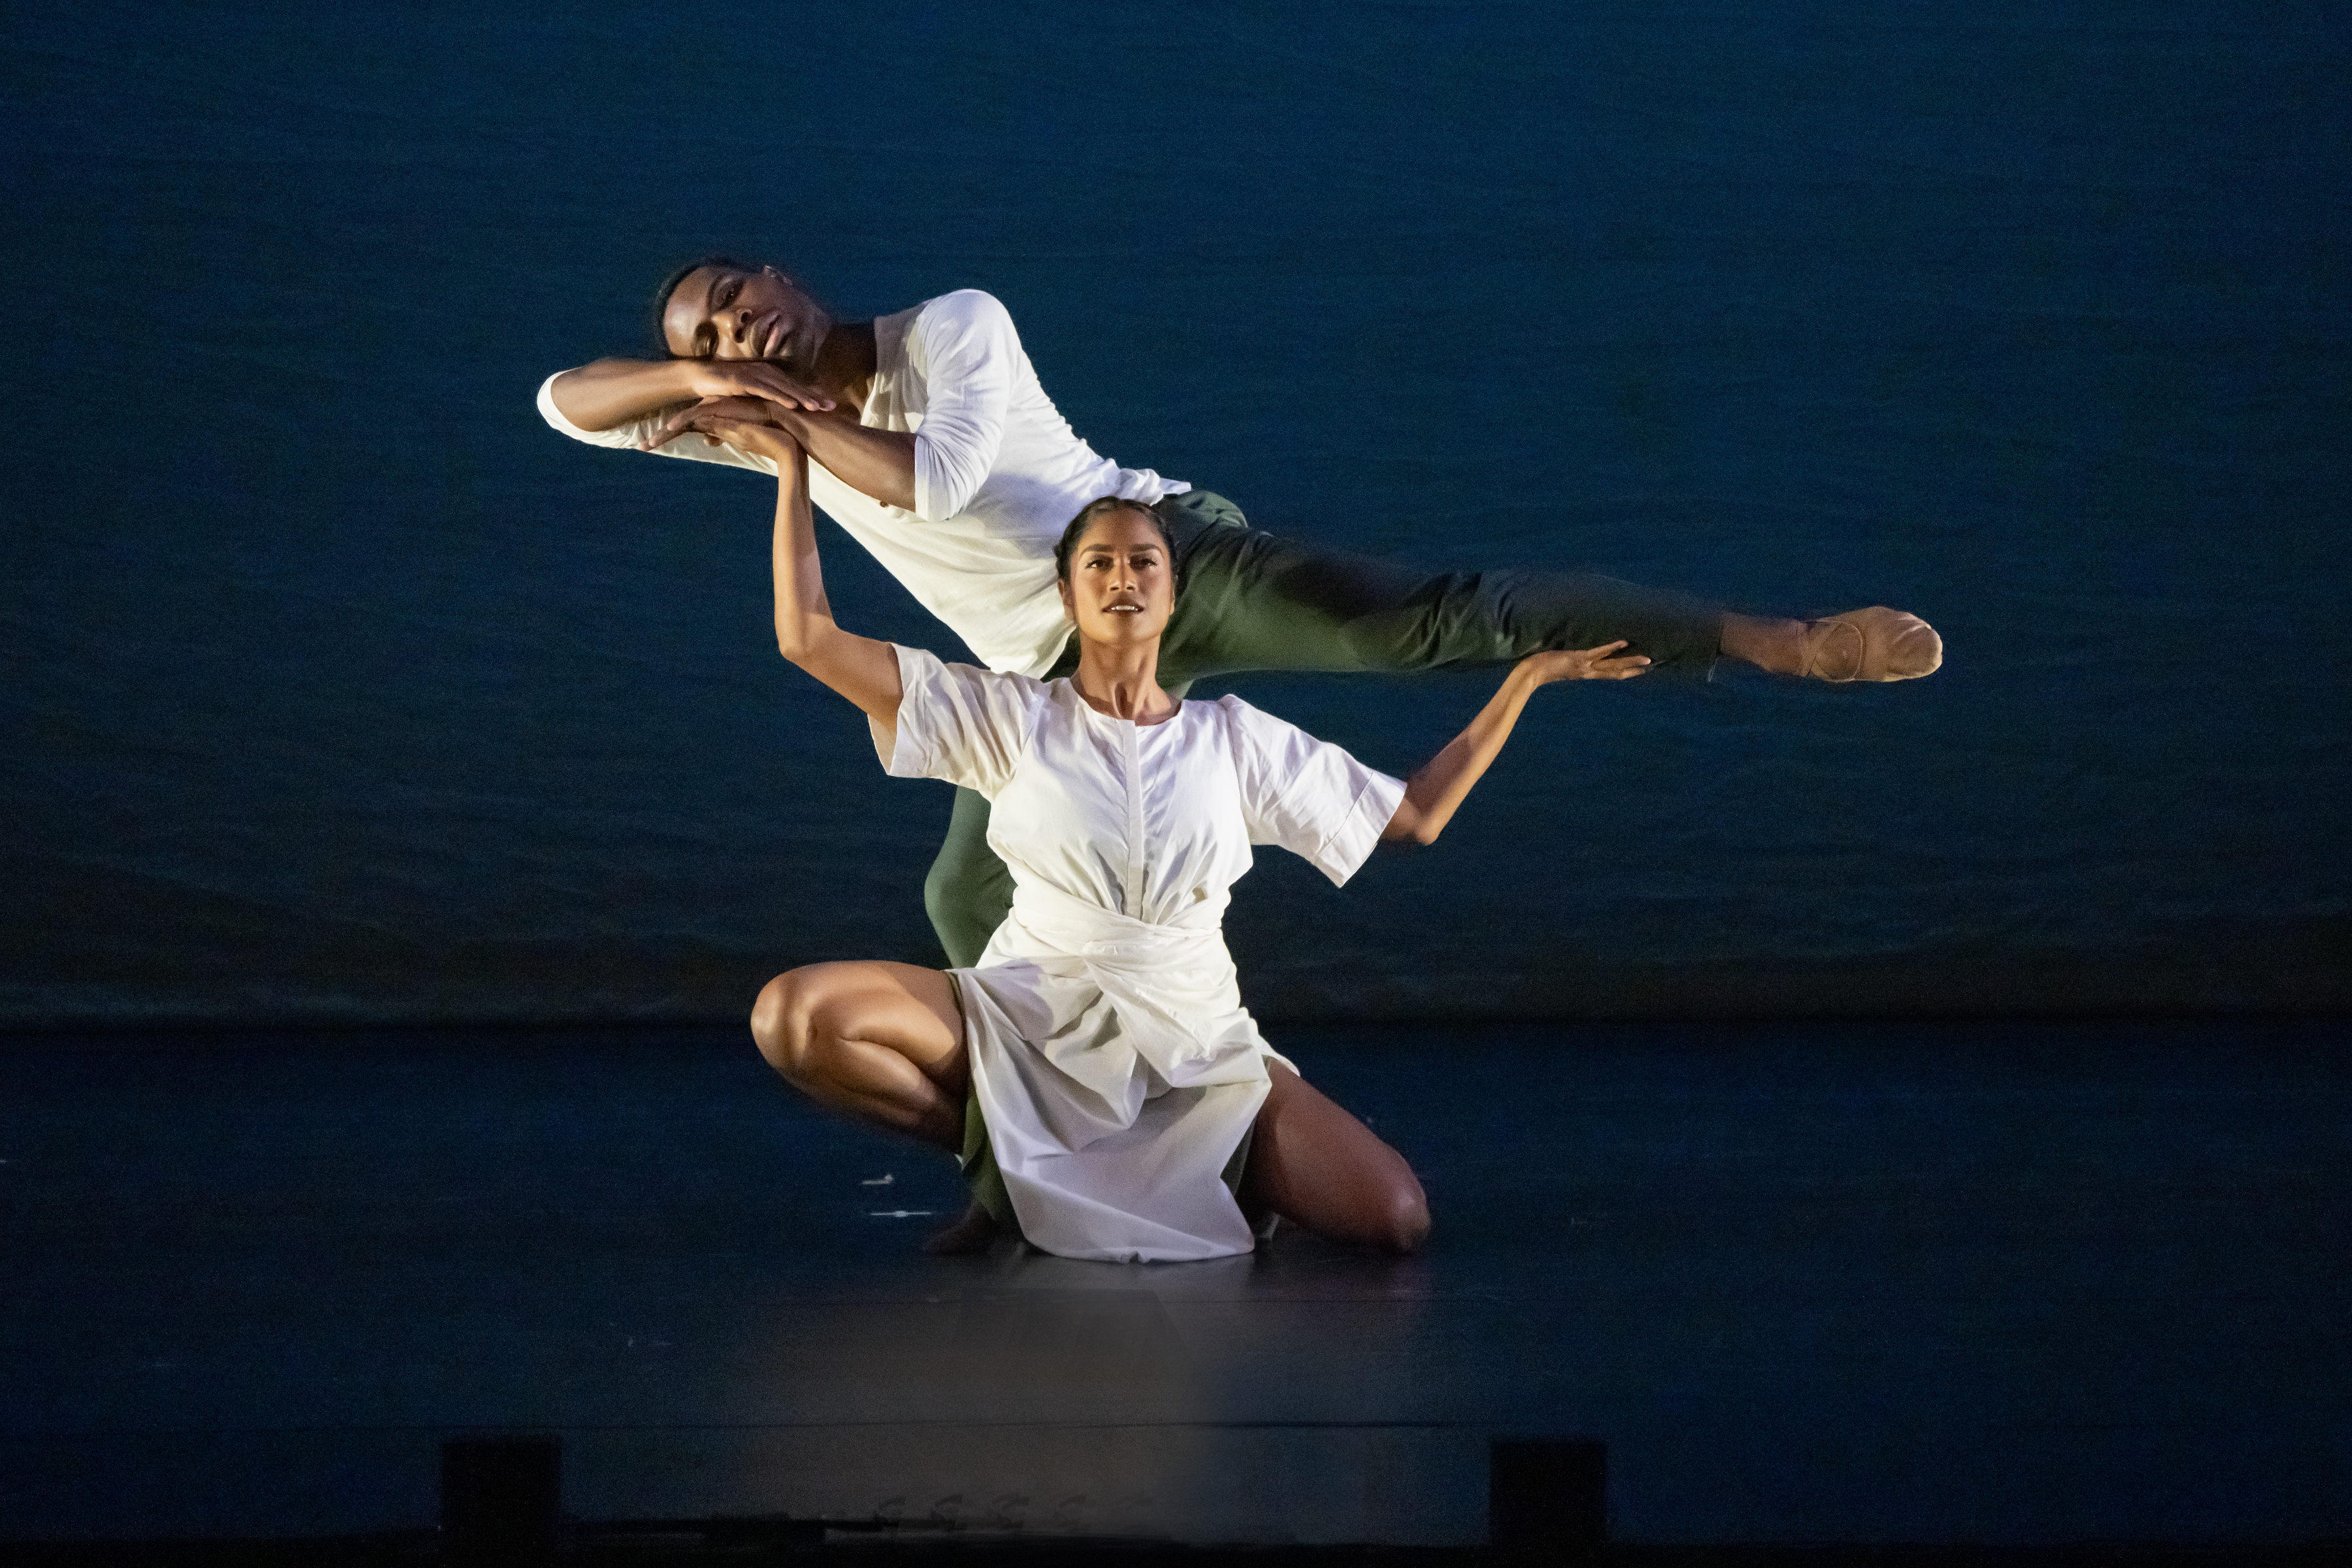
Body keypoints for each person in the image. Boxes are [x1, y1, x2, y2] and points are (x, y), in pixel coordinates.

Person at [538, 259, 1942, 968]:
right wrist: (697, 397)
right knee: (961, 894)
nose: (735, 340)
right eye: (708, 344)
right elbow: (564, 405)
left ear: (785, 277)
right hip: (1045, 672)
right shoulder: (741, 415)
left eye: (736, 307)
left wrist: (761, 413)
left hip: (1161, 563)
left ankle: (1775, 640)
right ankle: (1025, 1142)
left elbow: (939, 479)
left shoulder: (947, 328)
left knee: (1412, 623)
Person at [714, 402, 1651, 1260]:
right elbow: (809, 640)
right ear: (1069, 596)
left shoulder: (1235, 740)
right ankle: (1005, 1167)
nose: (1123, 578)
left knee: (1395, 1217)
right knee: (794, 1016)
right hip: (1031, 1016)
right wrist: (795, 472)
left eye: (1144, 562)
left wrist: (1522, 683)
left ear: (1172, 593)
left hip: (1196, 1039)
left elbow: (1417, 815)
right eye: (1100, 564)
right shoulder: (1006, 717)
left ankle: (1177, 1170)